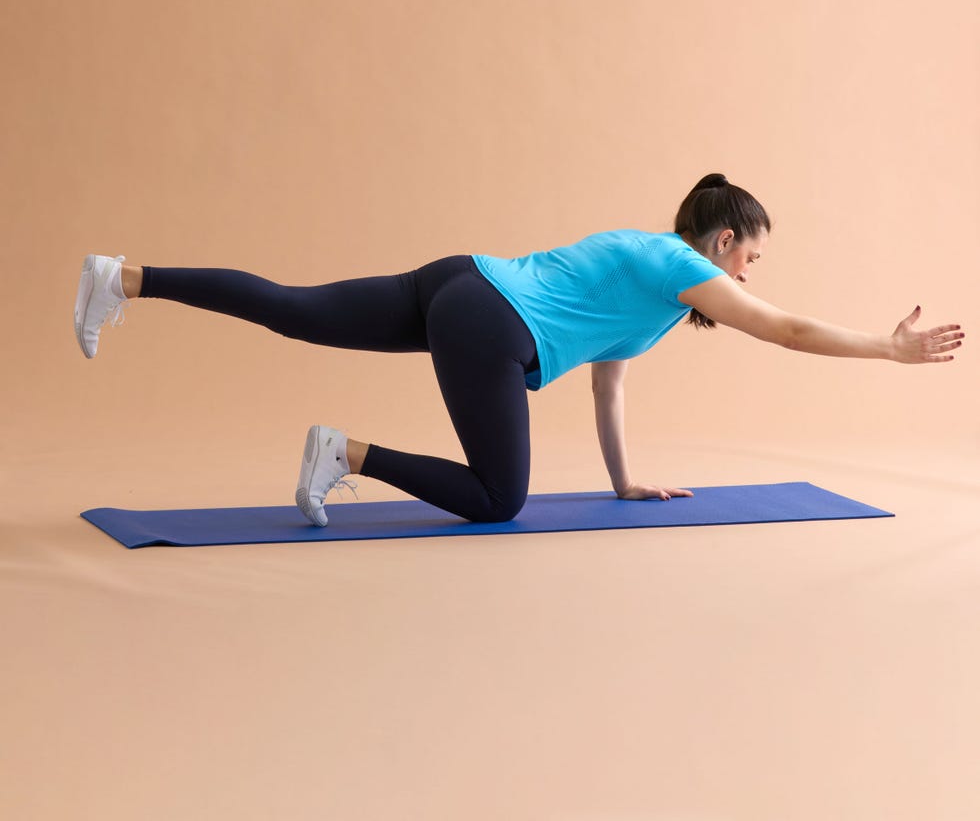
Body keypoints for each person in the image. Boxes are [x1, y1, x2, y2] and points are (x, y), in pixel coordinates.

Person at [72, 172, 964, 527]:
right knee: (500, 499)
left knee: (295, 308)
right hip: (488, 323)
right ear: (725, 238)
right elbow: (787, 329)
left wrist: (623, 481)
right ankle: (344, 452)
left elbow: (608, 384)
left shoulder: (652, 282)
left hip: (459, 280)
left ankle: (125, 277)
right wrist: (888, 352)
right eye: (753, 254)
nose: (754, 272)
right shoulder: (676, 263)